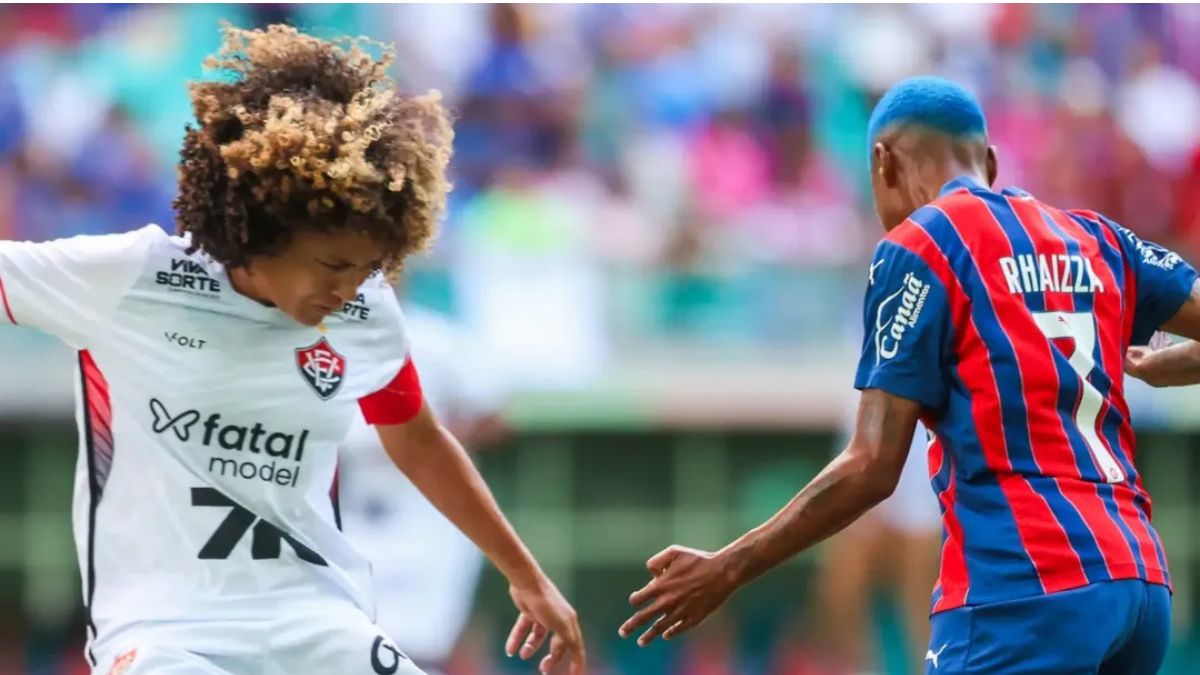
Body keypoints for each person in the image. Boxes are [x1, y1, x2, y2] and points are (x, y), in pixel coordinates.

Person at [0, 24, 584, 675]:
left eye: (369, 269)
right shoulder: (134, 276)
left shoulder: (363, 309)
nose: (349, 288)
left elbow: (418, 440)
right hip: (165, 631)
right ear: (266, 226)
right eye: (333, 264)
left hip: (319, 621)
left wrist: (527, 577)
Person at [620, 76, 1200, 674]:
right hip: (1140, 583)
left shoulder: (922, 244)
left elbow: (873, 467)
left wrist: (728, 567)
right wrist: (1178, 362)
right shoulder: (1096, 237)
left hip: (1029, 587)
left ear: (882, 162)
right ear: (991, 163)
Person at [339, 300, 510, 675]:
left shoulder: (436, 337)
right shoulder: (327, 332)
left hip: (429, 501)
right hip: (360, 496)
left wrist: (425, 441)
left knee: (428, 633)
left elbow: (494, 416)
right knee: (358, 628)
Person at [810, 420, 939, 674]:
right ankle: (861, 667)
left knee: (918, 580)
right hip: (871, 440)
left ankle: (928, 667)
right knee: (842, 579)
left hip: (924, 448)